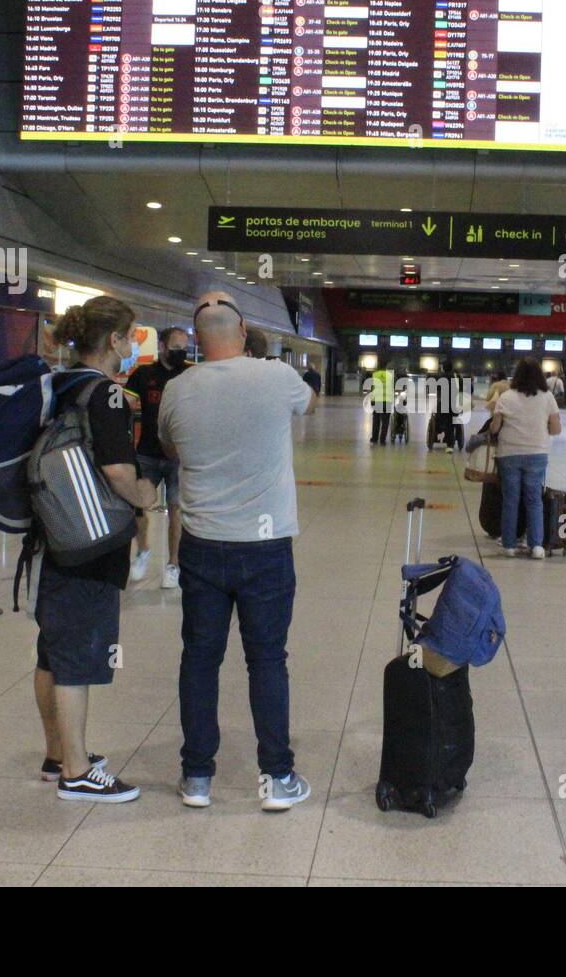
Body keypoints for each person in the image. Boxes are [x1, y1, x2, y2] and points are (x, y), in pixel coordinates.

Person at [159, 293, 318, 811]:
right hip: (266, 548)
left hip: (202, 545)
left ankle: (197, 777)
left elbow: (169, 448)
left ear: (195, 339)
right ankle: (276, 778)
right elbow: (308, 404)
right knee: (267, 660)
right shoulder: (276, 377)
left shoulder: (177, 389)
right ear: (244, 329)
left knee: (200, 660)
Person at [35, 296, 158, 802]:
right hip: (91, 542)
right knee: (79, 656)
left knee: (52, 649)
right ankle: (77, 771)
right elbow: (116, 471)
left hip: (58, 532)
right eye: (129, 337)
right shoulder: (104, 394)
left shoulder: (59, 385)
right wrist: (146, 497)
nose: (131, 347)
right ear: (113, 341)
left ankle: (57, 753)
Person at [124, 327, 190, 588]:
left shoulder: (189, 374)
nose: (181, 352)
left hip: (177, 455)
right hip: (147, 453)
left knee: (175, 508)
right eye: (176, 346)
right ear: (162, 346)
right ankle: (143, 551)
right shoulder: (144, 374)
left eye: (184, 346)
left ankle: (173, 564)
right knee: (139, 505)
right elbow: (125, 402)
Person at [489, 356, 561, 559]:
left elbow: (495, 428)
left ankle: (509, 545)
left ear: (517, 375)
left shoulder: (506, 397)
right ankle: (536, 546)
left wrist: (498, 419)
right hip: (537, 453)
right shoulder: (547, 397)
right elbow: (556, 429)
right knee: (534, 499)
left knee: (510, 500)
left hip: (509, 454)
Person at [368, 360, 394, 444]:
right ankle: (382, 440)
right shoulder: (390, 376)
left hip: (377, 400)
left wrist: (372, 400)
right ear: (386, 366)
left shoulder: (375, 375)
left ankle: (374, 438)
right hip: (387, 401)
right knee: (385, 422)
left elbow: (372, 388)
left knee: (376, 420)